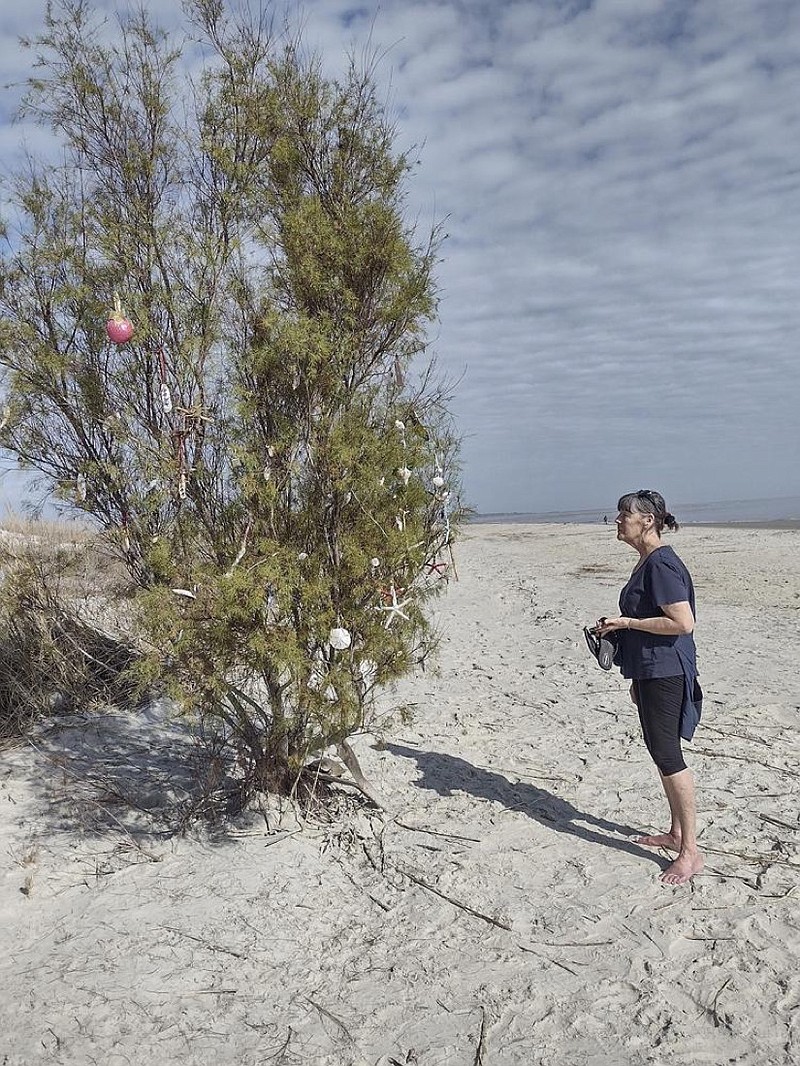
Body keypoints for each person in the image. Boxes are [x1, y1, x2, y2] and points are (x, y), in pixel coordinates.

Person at [595, 489, 704, 885]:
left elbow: (682, 622)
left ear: (648, 521)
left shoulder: (660, 564)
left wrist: (626, 624)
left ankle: (691, 851)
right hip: (651, 671)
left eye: (625, 514)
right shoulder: (648, 561)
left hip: (666, 670)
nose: (618, 519)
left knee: (668, 754)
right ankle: (676, 833)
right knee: (661, 751)